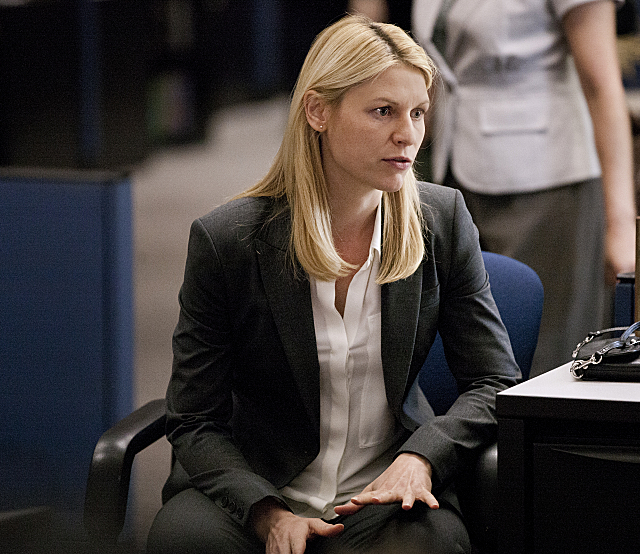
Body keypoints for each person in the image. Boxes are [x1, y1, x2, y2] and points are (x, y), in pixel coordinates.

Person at [146, 14, 521, 554]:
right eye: (383, 111)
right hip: (258, 489)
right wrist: (268, 514)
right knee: (183, 542)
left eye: (417, 112)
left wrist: (421, 457)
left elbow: (495, 380)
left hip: (384, 498)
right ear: (318, 111)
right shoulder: (228, 241)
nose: (408, 134)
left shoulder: (441, 221)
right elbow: (194, 419)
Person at [412, 0, 637, 376]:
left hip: (547, 183)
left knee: (549, 362)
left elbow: (603, 88)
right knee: (471, 358)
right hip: (453, 168)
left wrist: (622, 224)